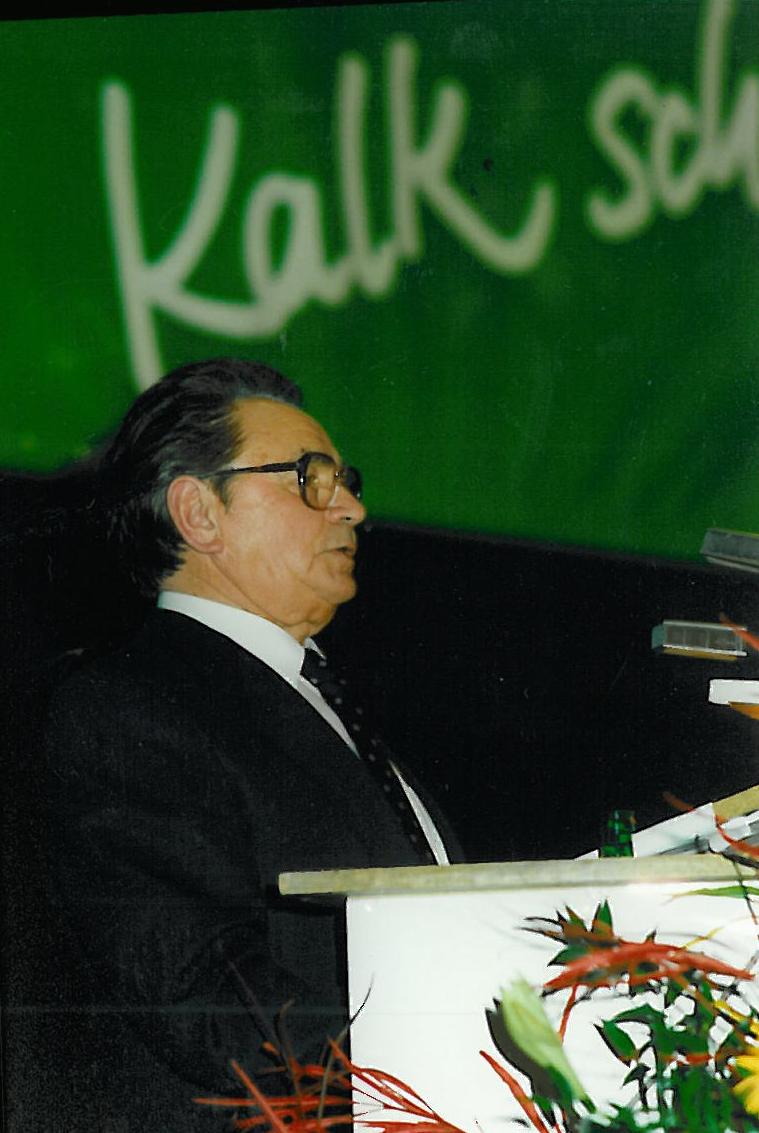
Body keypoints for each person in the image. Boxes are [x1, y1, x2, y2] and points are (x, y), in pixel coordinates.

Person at [30, 359, 459, 1133]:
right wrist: (465, 1053)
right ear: (198, 512)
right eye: (309, 479)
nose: (352, 507)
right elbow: (208, 991)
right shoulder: (127, 708)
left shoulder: (321, 698)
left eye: (345, 480)